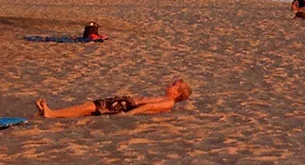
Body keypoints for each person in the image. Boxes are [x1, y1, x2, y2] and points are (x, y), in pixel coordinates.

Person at [35, 79, 192, 118]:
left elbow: (149, 108)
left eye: (173, 84)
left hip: (124, 106)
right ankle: (52, 113)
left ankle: (52, 114)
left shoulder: (168, 101)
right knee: (88, 109)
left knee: (88, 108)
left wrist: (129, 114)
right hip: (123, 104)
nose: (169, 84)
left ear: (177, 93)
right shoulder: (165, 99)